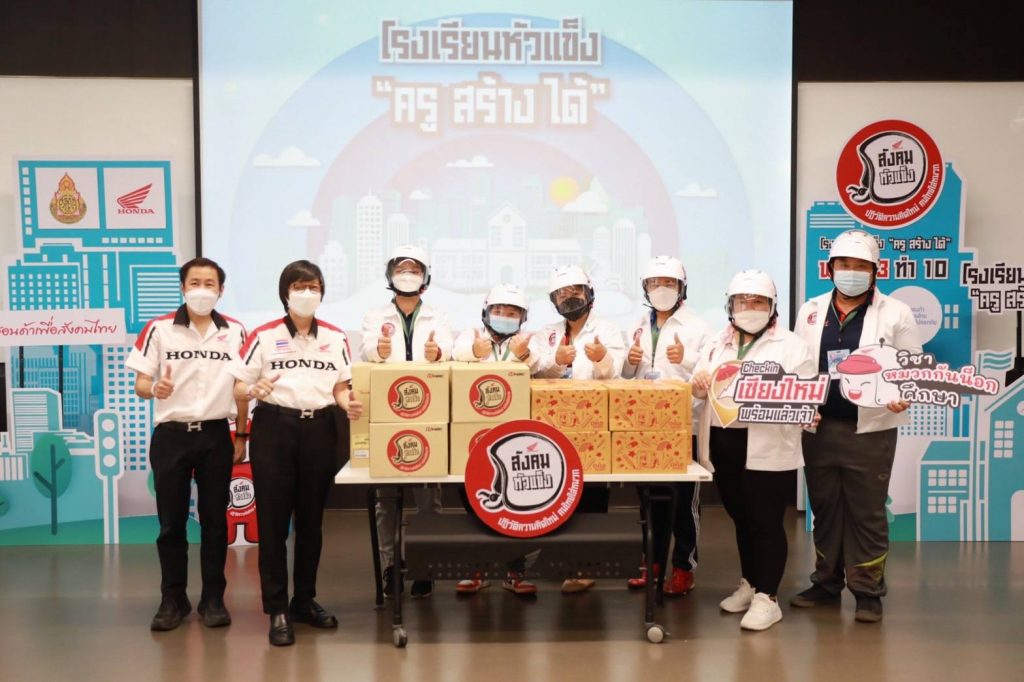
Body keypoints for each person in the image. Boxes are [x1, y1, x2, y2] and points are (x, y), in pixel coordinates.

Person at [229, 260, 363, 647]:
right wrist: (253, 391)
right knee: (273, 524)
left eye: (314, 287)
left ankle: (303, 600)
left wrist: (348, 404)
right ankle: (277, 609)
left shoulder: (335, 337)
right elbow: (239, 386)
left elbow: (340, 386)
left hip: (321, 429)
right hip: (275, 428)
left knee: (311, 522)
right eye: (299, 287)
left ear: (322, 293)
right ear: (285, 293)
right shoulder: (264, 335)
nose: (307, 293)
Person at [791, 229, 922, 623]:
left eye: (861, 266)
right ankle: (826, 582)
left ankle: (867, 591)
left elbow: (911, 369)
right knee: (825, 508)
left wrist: (903, 393)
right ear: (830, 268)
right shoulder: (810, 310)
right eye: (844, 264)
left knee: (867, 512)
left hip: (871, 429)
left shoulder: (896, 312)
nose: (851, 272)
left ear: (875, 270)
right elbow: (798, 365)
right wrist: (798, 404)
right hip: (819, 426)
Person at [691, 269, 816, 631]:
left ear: (773, 306)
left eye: (758, 302)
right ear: (729, 306)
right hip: (725, 442)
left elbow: (806, 396)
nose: (749, 308)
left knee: (766, 521)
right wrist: (698, 385)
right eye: (742, 302)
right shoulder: (716, 343)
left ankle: (768, 598)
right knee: (741, 518)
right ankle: (750, 583)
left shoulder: (792, 346)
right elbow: (698, 387)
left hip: (768, 445)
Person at [128, 257, 248, 631]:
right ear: (183, 287)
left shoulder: (236, 331)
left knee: (214, 522)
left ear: (221, 290)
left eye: (209, 283)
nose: (202, 290)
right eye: (194, 282)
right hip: (171, 436)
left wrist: (241, 434)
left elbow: (242, 388)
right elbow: (140, 384)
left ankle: (213, 598)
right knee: (171, 523)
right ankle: (172, 598)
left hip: (215, 435)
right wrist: (155, 388)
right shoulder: (159, 329)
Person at [361, 245, 452, 600]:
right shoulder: (375, 315)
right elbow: (367, 349)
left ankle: (426, 564)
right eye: (402, 268)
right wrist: (378, 351)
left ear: (425, 277)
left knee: (429, 498)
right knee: (386, 500)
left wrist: (437, 353)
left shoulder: (438, 315)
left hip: (429, 410)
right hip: (388, 412)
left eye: (414, 269)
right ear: (390, 275)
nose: (408, 274)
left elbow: (447, 349)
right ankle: (390, 566)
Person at [621, 256, 714, 596]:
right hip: (645, 428)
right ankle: (653, 563)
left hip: (684, 427)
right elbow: (625, 377)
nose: (661, 289)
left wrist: (685, 360)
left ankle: (683, 567)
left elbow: (710, 375)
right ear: (645, 288)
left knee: (684, 504)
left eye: (669, 283)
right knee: (649, 502)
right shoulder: (637, 325)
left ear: (682, 288)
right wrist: (628, 363)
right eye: (654, 283)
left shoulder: (700, 328)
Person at [452, 283, 547, 596]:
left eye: (512, 312)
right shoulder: (469, 336)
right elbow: (458, 357)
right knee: (474, 504)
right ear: (485, 312)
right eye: (498, 310)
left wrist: (522, 356)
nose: (504, 315)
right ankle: (477, 568)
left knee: (515, 506)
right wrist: (476, 353)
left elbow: (537, 368)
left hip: (515, 437)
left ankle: (515, 571)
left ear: (523, 317)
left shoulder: (529, 341)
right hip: (472, 435)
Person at [536, 265, 626, 593]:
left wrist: (601, 358)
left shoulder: (608, 331)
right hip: (552, 426)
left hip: (593, 426)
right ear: (553, 300)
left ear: (589, 294)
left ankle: (587, 565)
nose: (569, 297)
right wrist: (556, 360)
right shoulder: (545, 334)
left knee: (591, 496)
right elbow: (533, 371)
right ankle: (561, 559)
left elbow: (613, 374)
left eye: (576, 291)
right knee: (557, 495)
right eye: (562, 293)